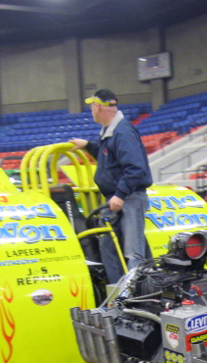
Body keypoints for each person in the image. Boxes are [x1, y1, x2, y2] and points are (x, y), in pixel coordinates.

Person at [70, 88, 153, 283]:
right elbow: (109, 156)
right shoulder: (111, 132)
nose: (91, 111)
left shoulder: (122, 132)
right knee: (108, 245)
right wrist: (89, 146)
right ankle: (118, 292)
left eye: (91, 107)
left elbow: (135, 167)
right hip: (117, 199)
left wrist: (121, 194)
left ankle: (136, 297)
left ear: (98, 107)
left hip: (128, 199)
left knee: (134, 252)